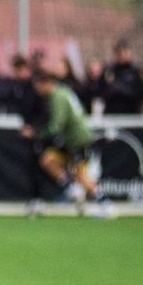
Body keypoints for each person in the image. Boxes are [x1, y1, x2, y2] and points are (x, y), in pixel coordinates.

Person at [22, 68, 112, 218]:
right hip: (71, 141)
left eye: (38, 85)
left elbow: (56, 125)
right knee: (47, 160)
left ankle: (106, 204)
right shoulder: (63, 92)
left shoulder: (57, 96)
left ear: (46, 83)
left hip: (78, 140)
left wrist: (35, 133)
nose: (37, 89)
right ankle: (72, 188)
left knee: (81, 176)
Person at [101, 40, 143, 114]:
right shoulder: (110, 70)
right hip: (112, 112)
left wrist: (118, 89)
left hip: (132, 112)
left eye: (124, 52)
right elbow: (103, 91)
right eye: (118, 52)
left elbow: (141, 92)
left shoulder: (136, 71)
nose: (121, 55)